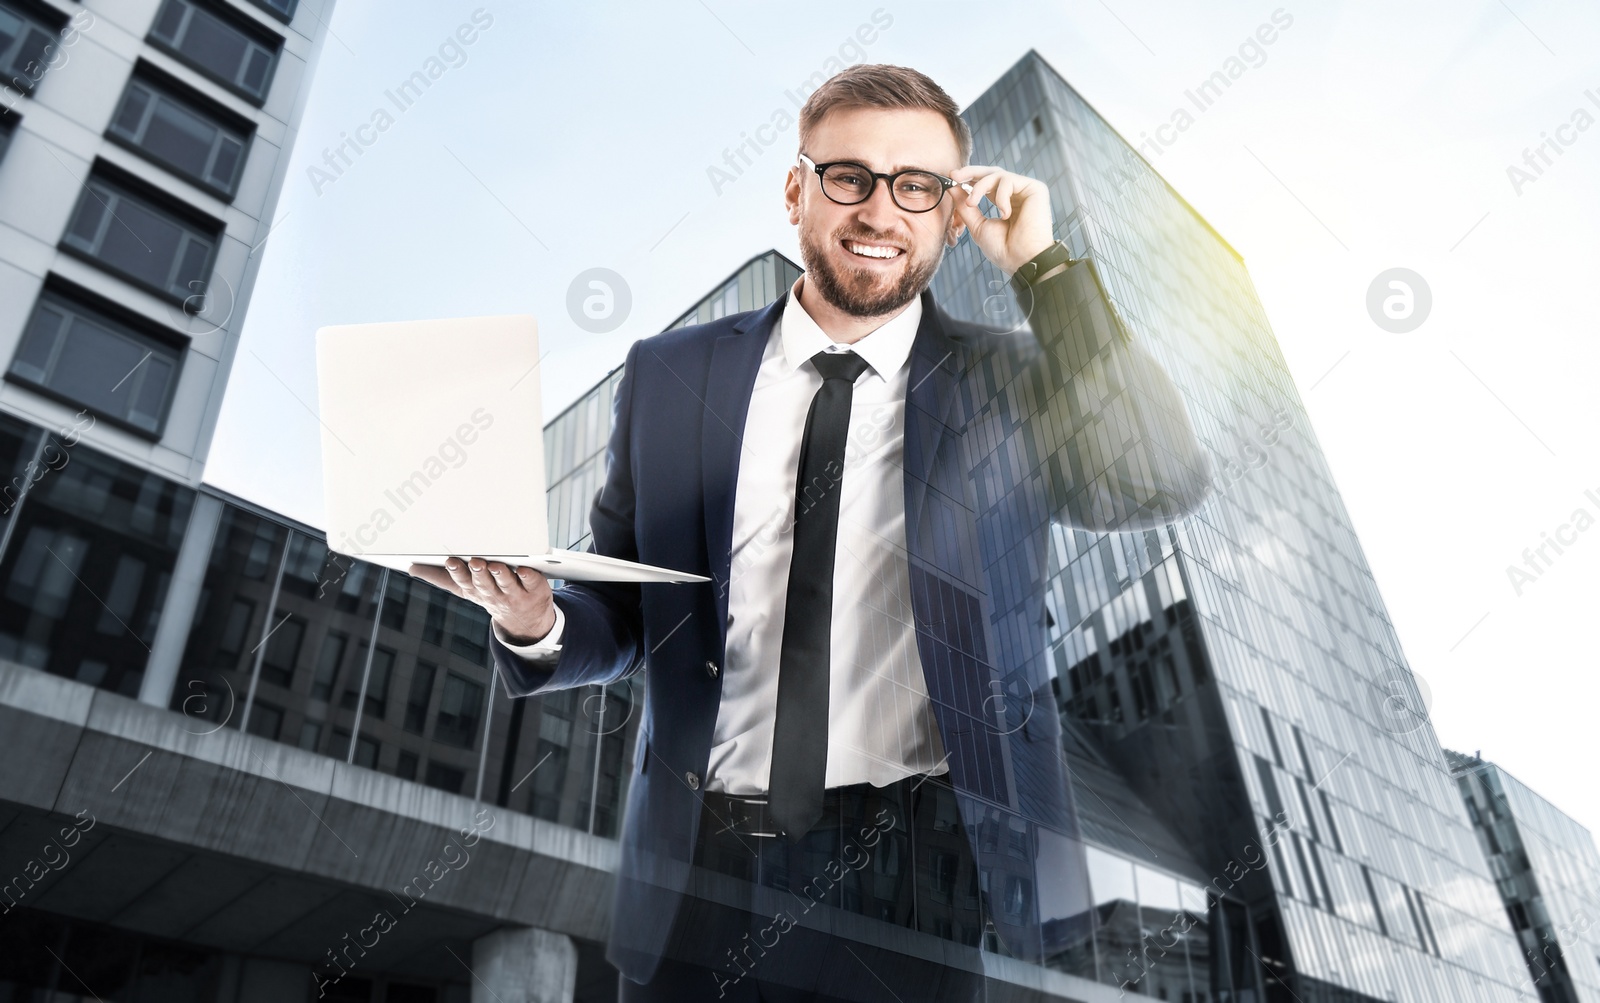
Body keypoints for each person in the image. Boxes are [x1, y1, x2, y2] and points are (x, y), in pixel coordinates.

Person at [412, 63, 1212, 1002]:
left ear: (955, 216)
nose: (882, 210)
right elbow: (628, 614)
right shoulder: (671, 376)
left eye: (918, 186)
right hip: (700, 871)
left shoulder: (1013, 385)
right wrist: (538, 619)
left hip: (922, 876)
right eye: (850, 177)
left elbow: (1157, 477)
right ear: (796, 189)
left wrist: (1045, 272)